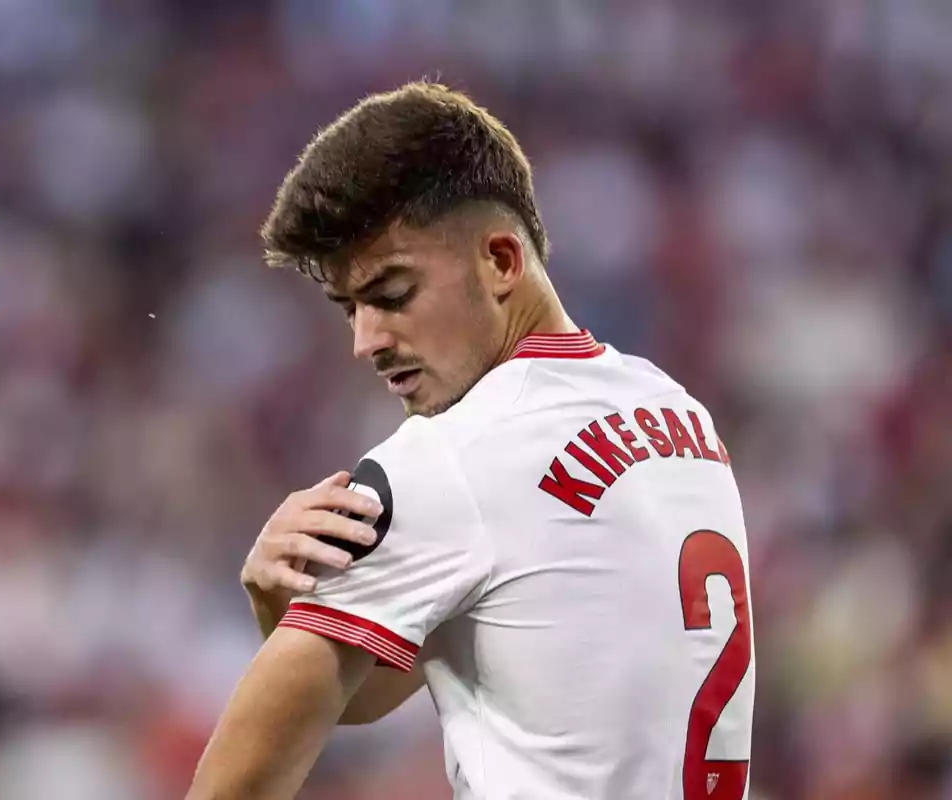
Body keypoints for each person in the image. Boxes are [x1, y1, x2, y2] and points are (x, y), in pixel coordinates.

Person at [187, 81, 754, 800]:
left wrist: (295, 620)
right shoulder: (679, 414)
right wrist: (284, 607)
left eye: (391, 294)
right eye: (348, 308)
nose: (366, 341)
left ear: (500, 260)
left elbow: (234, 786)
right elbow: (388, 688)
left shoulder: (449, 457)